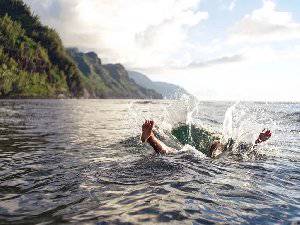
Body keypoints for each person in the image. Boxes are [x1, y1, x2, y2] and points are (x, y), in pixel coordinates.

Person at [141, 120, 272, 158]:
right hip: (209, 158)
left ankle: (150, 137)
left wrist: (258, 141)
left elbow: (244, 147)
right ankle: (150, 137)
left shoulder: (229, 147)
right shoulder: (196, 152)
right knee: (171, 152)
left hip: (211, 156)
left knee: (171, 153)